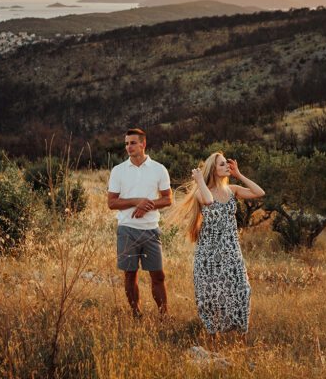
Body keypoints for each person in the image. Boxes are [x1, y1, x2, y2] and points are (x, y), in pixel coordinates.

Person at [170, 152, 265, 340]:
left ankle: (241, 337)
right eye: (222, 165)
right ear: (213, 169)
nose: (227, 167)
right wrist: (200, 181)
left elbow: (259, 192)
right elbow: (209, 201)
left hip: (231, 250)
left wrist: (239, 175)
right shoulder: (201, 191)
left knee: (241, 290)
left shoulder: (233, 189)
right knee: (210, 295)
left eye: (227, 164)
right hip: (209, 253)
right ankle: (213, 339)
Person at [107, 128, 172, 317]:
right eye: (126, 143)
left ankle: (164, 314)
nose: (129, 147)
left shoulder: (159, 169)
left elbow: (168, 199)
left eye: (133, 143)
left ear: (143, 144)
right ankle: (136, 313)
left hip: (151, 229)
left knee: (158, 274)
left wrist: (148, 205)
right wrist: (137, 201)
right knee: (130, 273)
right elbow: (111, 203)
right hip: (127, 229)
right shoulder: (118, 170)